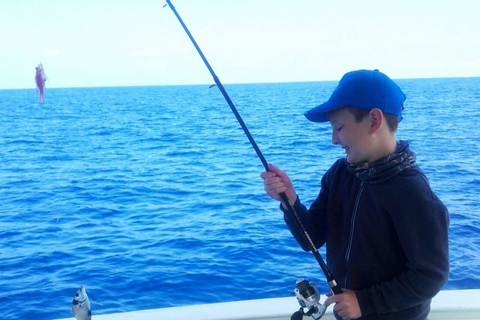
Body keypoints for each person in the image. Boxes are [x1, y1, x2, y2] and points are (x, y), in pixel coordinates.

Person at [260, 69, 449, 320]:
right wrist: (290, 201)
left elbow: (430, 276)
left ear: (374, 120)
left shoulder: (412, 193)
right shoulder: (340, 174)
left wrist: (364, 302)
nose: (334, 139)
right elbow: (312, 239)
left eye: (339, 127)